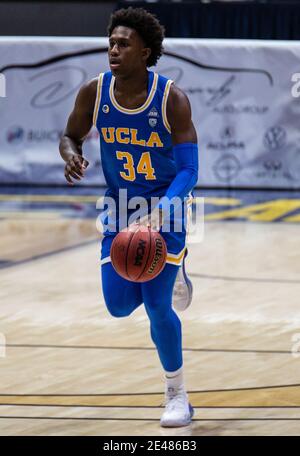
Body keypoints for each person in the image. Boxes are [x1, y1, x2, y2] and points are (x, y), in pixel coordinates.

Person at [59, 7, 198, 427]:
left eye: (123, 44)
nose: (113, 50)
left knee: (157, 306)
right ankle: (173, 276)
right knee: (119, 307)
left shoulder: (172, 98)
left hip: (164, 208)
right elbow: (70, 135)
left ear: (146, 52)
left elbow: (190, 170)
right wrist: (72, 155)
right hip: (119, 209)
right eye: (111, 43)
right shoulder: (93, 93)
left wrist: (164, 210)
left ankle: (177, 395)